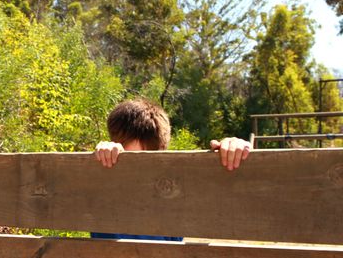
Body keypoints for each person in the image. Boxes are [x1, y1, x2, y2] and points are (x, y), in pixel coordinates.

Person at [91, 98, 251, 241]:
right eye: (128, 160)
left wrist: (232, 148)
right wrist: (103, 154)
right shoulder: (103, 187)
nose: (139, 174)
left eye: (147, 162)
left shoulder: (173, 193)